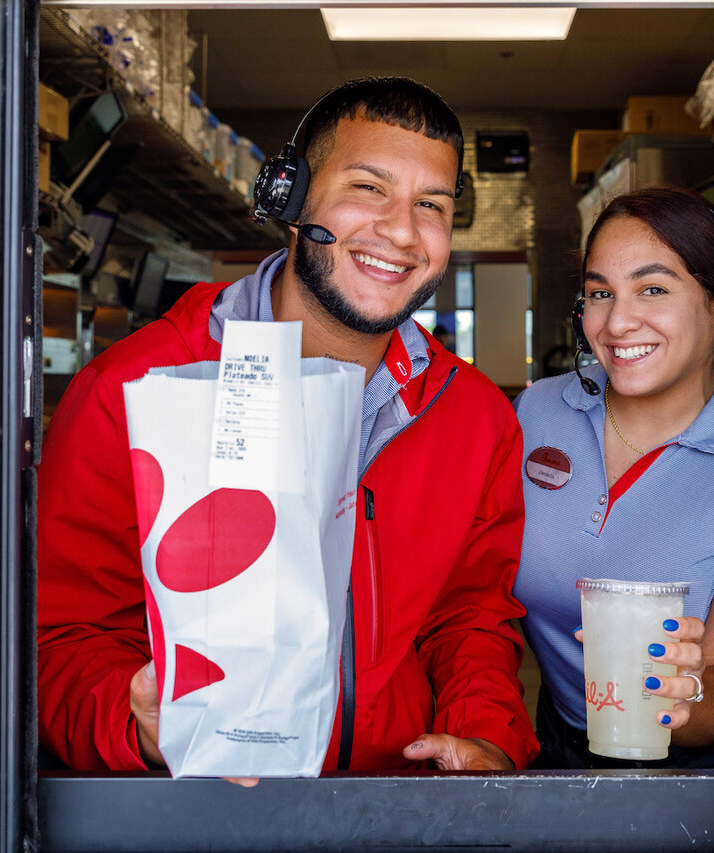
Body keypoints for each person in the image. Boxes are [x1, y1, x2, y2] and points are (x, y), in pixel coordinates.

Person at [37, 77, 538, 776]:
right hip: (197, 810)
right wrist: (137, 723)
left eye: (432, 205)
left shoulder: (476, 417)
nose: (400, 230)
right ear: (291, 196)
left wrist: (483, 732)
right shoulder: (131, 391)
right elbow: (67, 635)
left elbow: (472, 617)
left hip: (392, 806)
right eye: (369, 188)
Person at [513, 187, 714, 768]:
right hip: (563, 743)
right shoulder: (534, 416)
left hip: (708, 766)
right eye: (599, 293)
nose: (617, 321)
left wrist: (684, 696)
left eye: (652, 288)